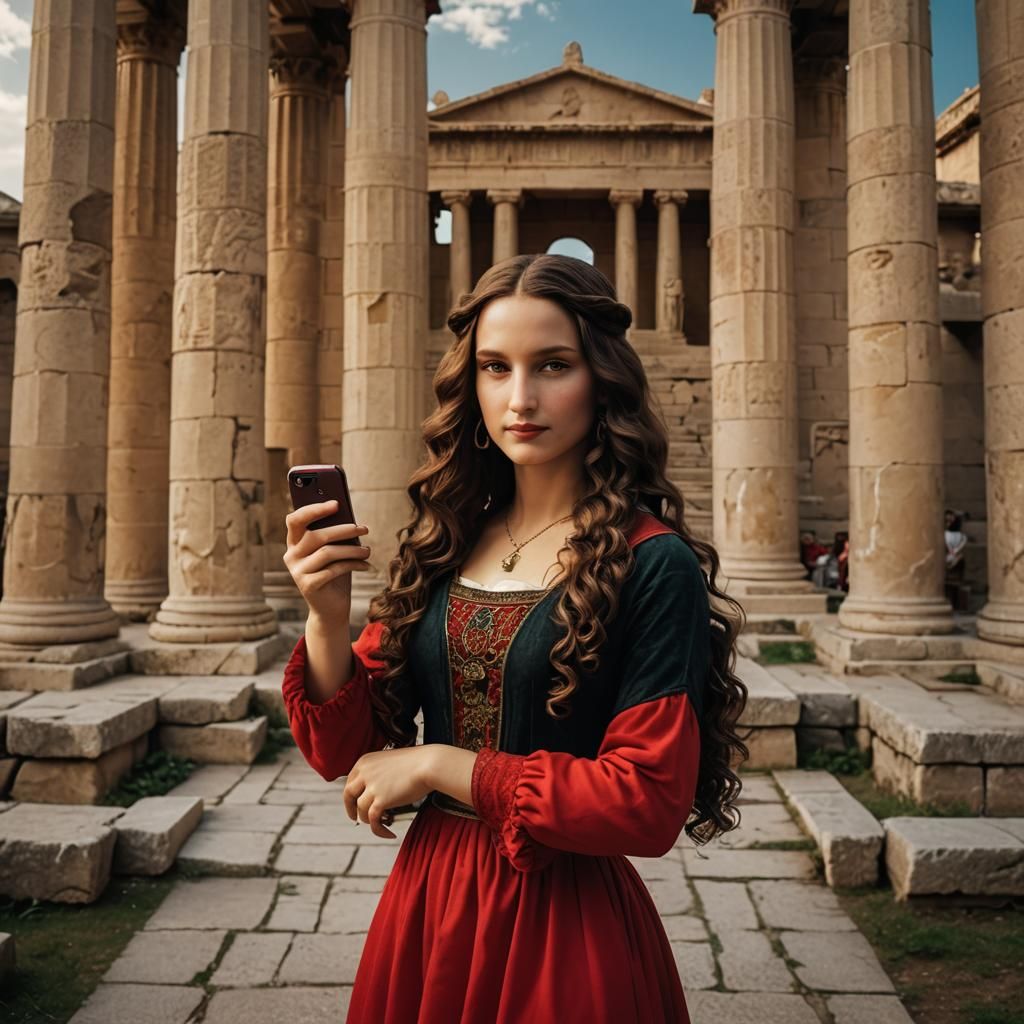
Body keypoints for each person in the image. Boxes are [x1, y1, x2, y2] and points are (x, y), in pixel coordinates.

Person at [280, 254, 749, 1023]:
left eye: (553, 365)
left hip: (562, 926)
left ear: (602, 379)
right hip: (428, 908)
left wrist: (438, 763)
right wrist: (327, 615)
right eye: (496, 368)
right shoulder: (447, 538)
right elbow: (342, 753)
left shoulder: (652, 561)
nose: (520, 398)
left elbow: (645, 803)